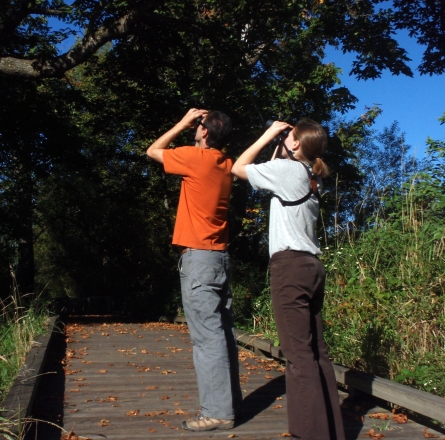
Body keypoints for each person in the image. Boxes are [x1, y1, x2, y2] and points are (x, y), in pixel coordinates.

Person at [231, 119, 345, 440]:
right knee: (317, 353)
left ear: (296, 145)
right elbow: (270, 168)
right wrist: (282, 143)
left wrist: (268, 133)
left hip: (290, 268)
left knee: (298, 357)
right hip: (311, 267)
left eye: (289, 136)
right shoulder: (309, 176)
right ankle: (328, 430)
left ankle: (309, 434)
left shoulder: (290, 172)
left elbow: (239, 167)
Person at [146, 108, 242, 432]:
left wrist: (182, 121)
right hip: (219, 259)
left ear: (206, 132)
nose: (195, 128)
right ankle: (230, 403)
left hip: (200, 260)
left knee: (207, 339)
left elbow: (153, 151)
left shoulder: (196, 158)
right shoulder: (226, 164)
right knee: (223, 335)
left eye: (199, 126)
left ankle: (217, 412)